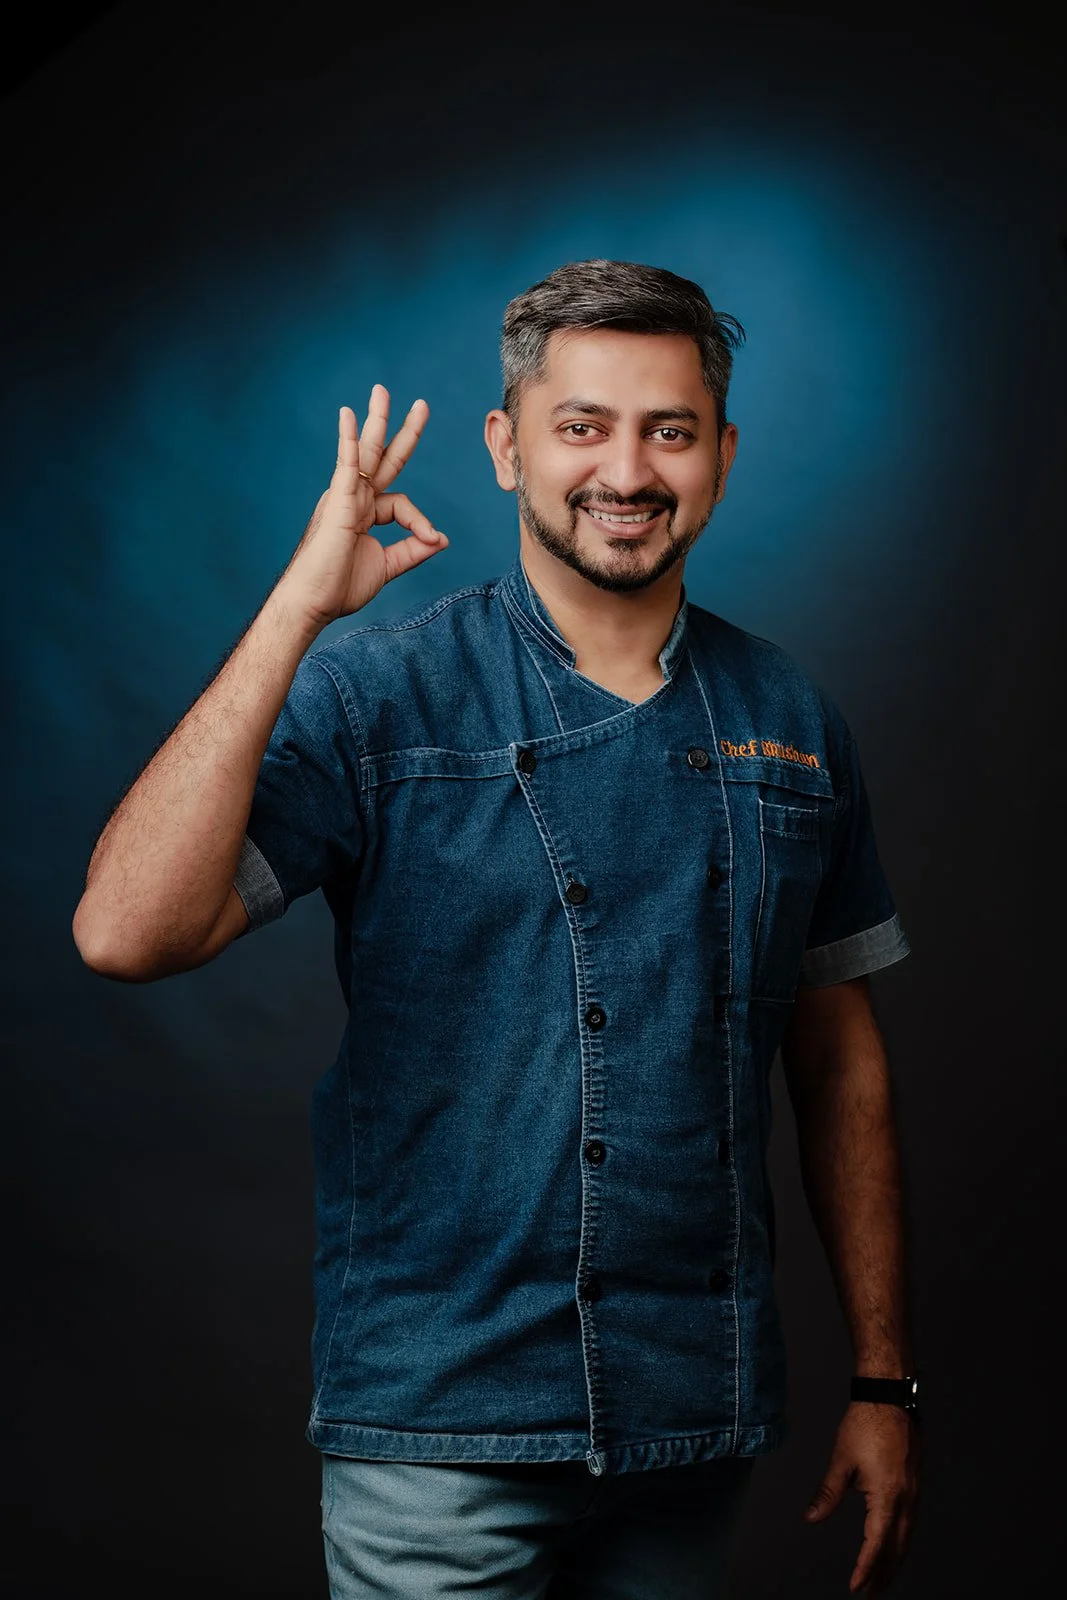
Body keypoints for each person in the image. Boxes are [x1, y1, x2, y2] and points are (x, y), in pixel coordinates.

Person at [74, 259, 921, 1599]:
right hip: (437, 1433)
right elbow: (126, 931)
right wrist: (299, 607)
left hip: (690, 1425)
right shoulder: (376, 692)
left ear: (723, 455)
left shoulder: (791, 719)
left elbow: (837, 1064)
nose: (626, 472)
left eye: (669, 430)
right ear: (507, 444)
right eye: (582, 425)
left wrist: (882, 1378)